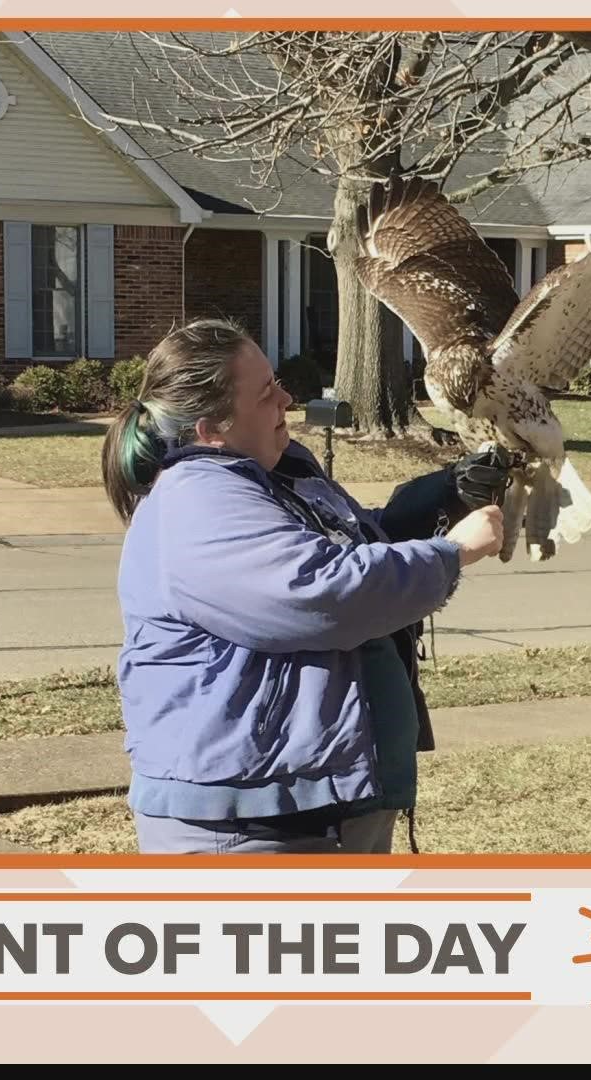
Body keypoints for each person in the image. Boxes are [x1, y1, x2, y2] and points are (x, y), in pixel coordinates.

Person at [99, 318, 513, 855]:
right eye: (266, 392)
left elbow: (353, 543)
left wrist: (446, 492)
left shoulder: (272, 477)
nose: (286, 398)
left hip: (315, 805)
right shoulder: (198, 500)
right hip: (248, 826)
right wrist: (452, 553)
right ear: (211, 429)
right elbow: (320, 593)